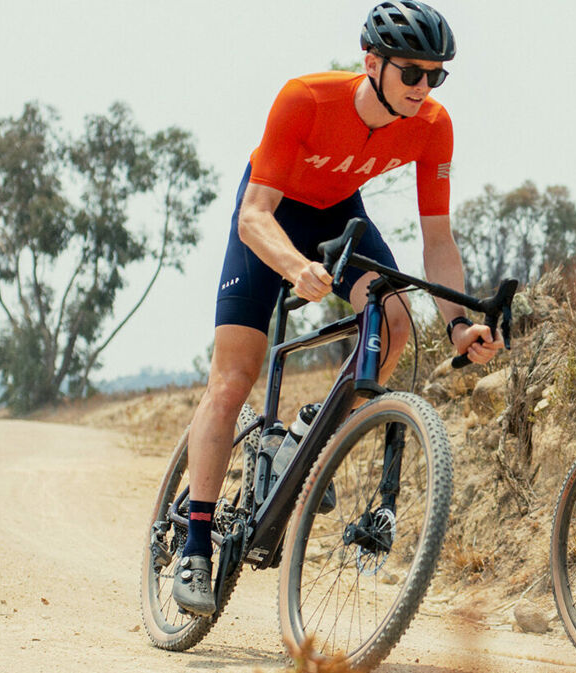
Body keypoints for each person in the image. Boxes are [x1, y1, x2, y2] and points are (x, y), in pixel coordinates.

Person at [172, 0, 503, 616]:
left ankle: (306, 430)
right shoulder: (306, 99)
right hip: (271, 214)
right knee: (233, 378)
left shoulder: (433, 125)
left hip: (337, 214)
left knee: (395, 318)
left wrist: (458, 325)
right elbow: (252, 215)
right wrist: (296, 267)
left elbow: (437, 240)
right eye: (412, 73)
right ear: (372, 63)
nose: (424, 88)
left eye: (437, 75)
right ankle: (194, 544)